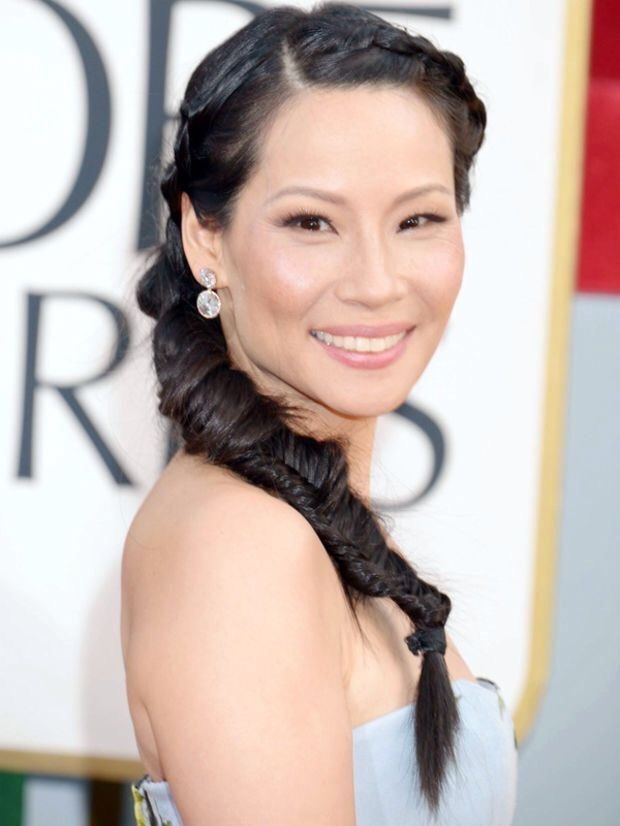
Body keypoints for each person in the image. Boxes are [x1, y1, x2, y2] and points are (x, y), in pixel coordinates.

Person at [120, 2, 518, 823]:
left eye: (417, 220)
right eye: (311, 223)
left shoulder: (303, 513)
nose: (376, 281)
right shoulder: (240, 545)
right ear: (207, 239)